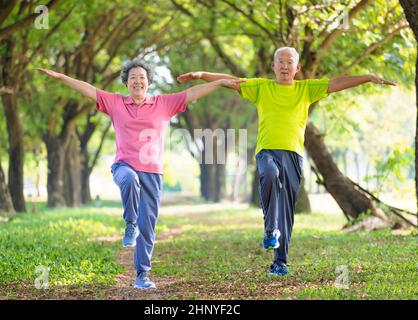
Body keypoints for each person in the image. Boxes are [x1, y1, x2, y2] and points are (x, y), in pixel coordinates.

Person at [177, 47, 396, 276]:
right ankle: (270, 228)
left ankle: (279, 263)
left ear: (297, 68)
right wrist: (201, 74)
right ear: (273, 66)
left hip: (293, 155)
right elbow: (229, 81)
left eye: (289, 62)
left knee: (287, 211)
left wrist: (367, 79)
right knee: (269, 175)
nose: (284, 66)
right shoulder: (261, 87)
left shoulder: (306, 89)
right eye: (280, 62)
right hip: (267, 152)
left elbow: (336, 83)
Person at [37, 60, 242, 289]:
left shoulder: (163, 104)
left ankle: (142, 275)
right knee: (130, 180)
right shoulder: (115, 102)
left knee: (149, 227)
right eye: (133, 77)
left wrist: (220, 82)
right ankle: (130, 223)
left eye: (142, 77)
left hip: (153, 173)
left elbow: (193, 92)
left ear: (148, 82)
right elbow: (87, 88)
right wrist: (61, 77)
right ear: (126, 83)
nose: (137, 80)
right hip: (124, 166)